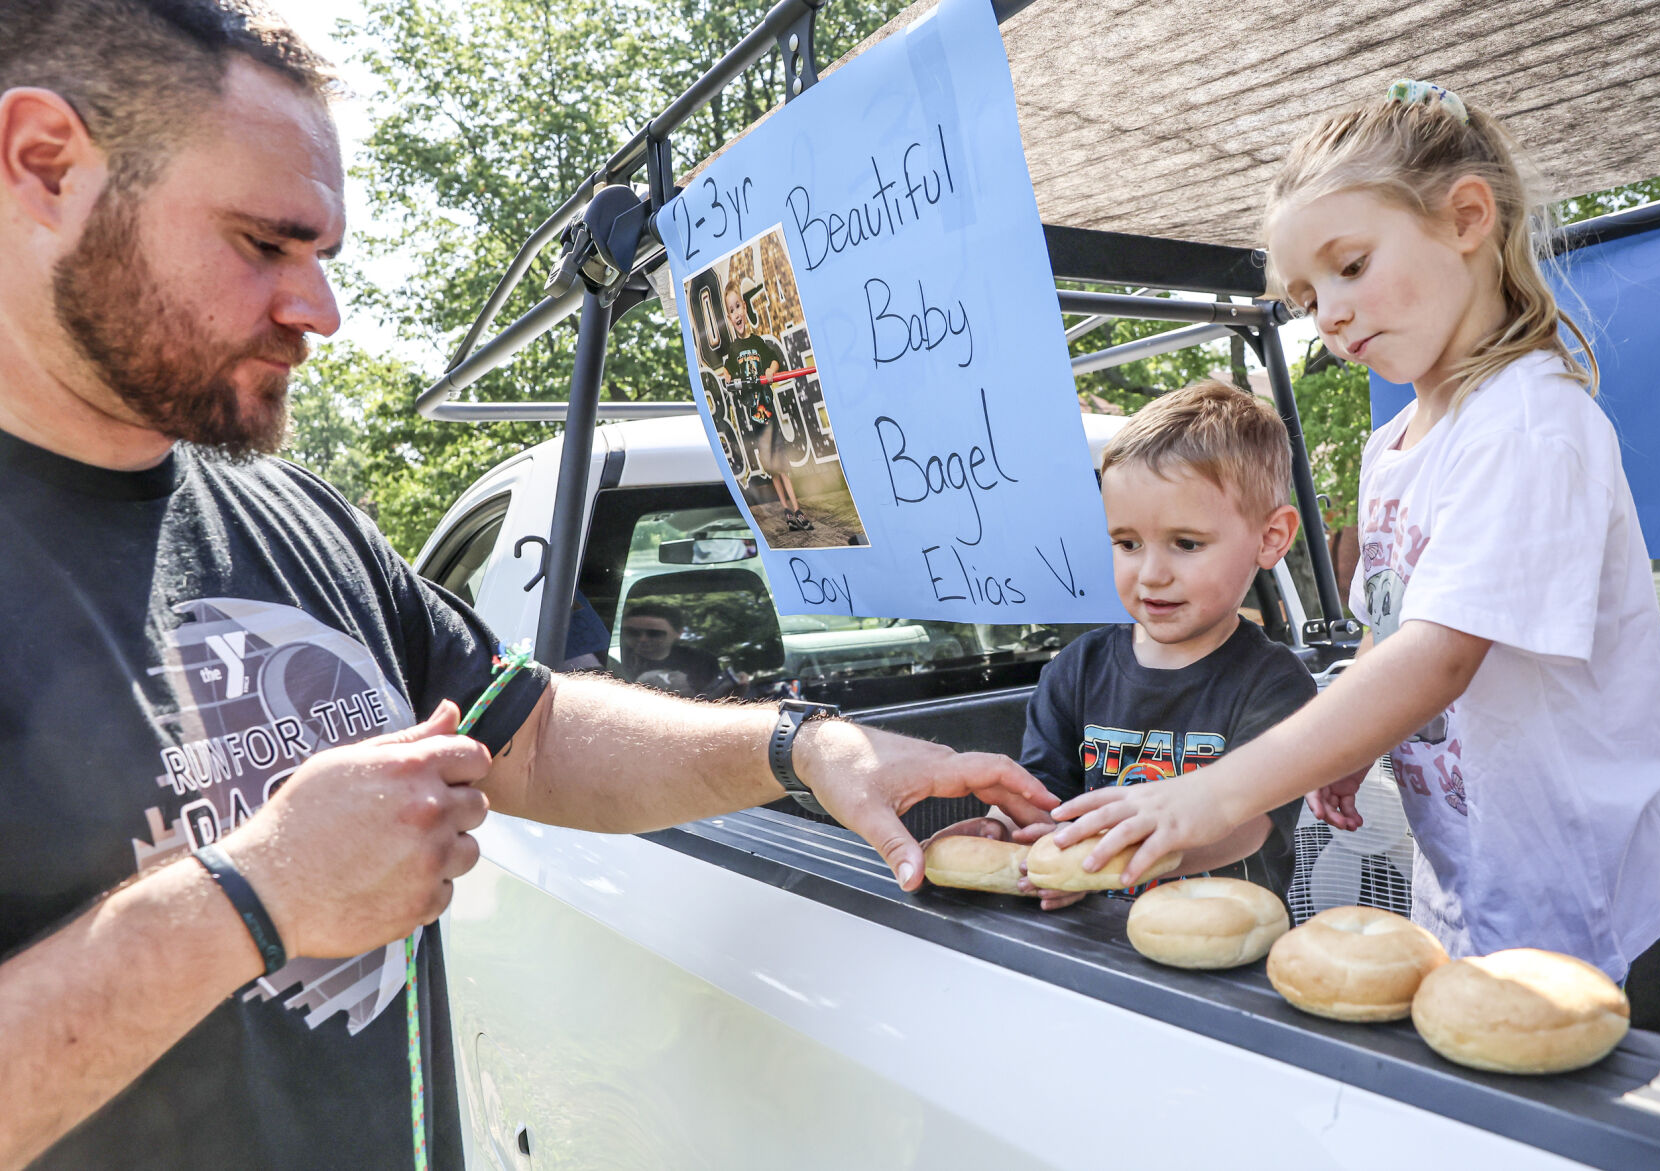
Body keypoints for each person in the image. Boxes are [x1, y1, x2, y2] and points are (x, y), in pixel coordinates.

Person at [0, 4, 1057, 1168]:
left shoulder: (297, 518)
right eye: (265, 243)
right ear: (46, 165)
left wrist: (806, 746)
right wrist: (258, 892)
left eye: (324, 257)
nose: (323, 313)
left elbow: (534, 733)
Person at [1049, 80, 1660, 1026]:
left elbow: (1441, 653)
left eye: (1351, 265)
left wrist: (1215, 792)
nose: (1327, 314)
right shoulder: (1391, 445)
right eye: (1307, 295)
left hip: (1589, 905)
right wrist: (1343, 746)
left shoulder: (1529, 419)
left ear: (1466, 219)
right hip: (1469, 885)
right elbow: (1391, 622)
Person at [931, 380, 1317, 910]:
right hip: (1097, 947)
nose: (1152, 574)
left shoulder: (1275, 685)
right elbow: (1046, 796)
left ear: (1271, 538)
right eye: (1127, 543)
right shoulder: (1076, 670)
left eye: (1186, 544)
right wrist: (1005, 833)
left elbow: (1246, 826)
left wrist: (1090, 863)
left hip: (1226, 956)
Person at [714, 277, 811, 532]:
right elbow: (727, 372)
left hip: (770, 417)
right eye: (731, 309)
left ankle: (798, 508)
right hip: (756, 423)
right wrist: (726, 375)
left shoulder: (757, 343)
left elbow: (774, 360)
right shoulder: (734, 349)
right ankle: (787, 511)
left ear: (745, 308)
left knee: (782, 467)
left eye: (738, 307)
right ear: (729, 315)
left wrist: (770, 369)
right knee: (772, 470)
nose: (736, 313)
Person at [617, 600, 724, 697]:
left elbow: (716, 695)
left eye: (654, 633)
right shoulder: (615, 659)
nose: (642, 639)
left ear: (678, 633)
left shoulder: (702, 660)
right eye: (632, 632)